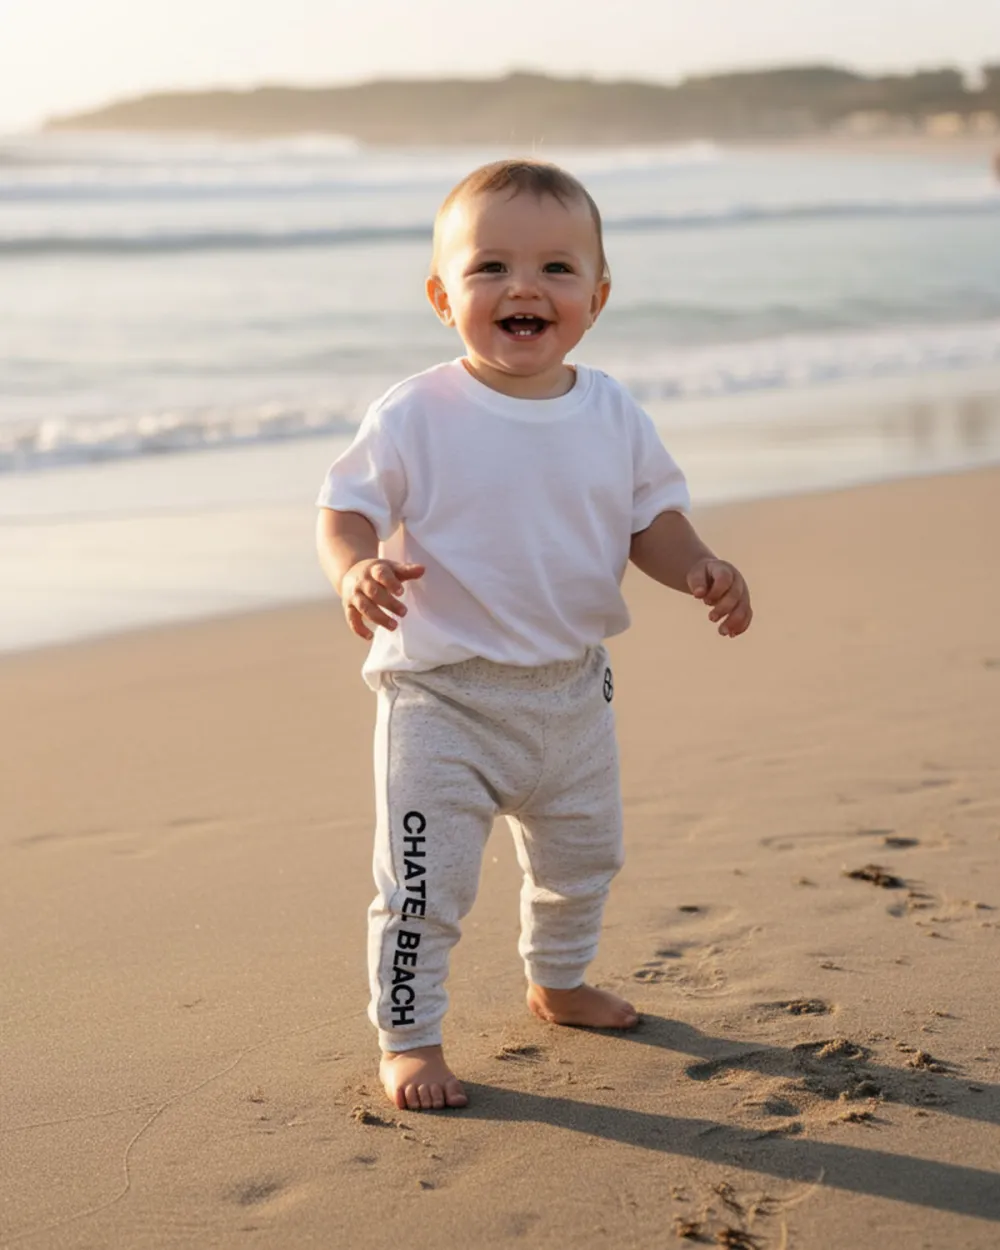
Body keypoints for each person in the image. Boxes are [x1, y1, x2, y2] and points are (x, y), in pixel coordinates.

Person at [315, 159, 752, 1113]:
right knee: (424, 884)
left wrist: (700, 568)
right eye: (489, 269)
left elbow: (653, 523)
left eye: (556, 268)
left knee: (582, 860)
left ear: (596, 298)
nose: (523, 287)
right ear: (442, 296)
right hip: (442, 698)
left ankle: (557, 981)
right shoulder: (416, 412)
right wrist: (355, 568)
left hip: (570, 691)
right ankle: (411, 1036)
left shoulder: (613, 413)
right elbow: (342, 508)